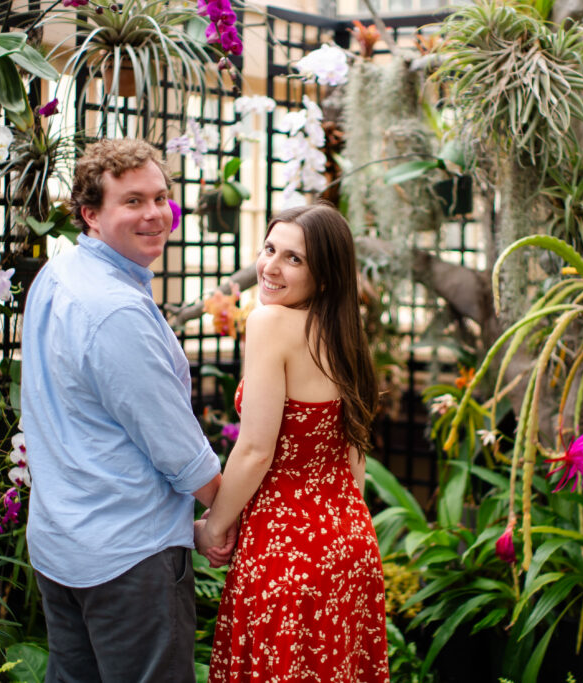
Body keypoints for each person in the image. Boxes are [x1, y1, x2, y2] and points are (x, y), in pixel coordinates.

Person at [21, 138, 232, 683]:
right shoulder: (115, 309)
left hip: (61, 542)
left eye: (161, 197)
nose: (155, 214)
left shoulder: (57, 273)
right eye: (133, 201)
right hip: (128, 558)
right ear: (91, 214)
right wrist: (226, 518)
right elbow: (177, 447)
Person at [199, 203, 390, 682]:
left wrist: (213, 527)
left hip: (286, 551)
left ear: (324, 276)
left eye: (294, 259)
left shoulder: (270, 323)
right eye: (269, 249)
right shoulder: (345, 334)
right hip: (349, 546)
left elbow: (255, 449)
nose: (271, 267)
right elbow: (354, 456)